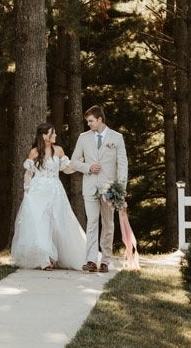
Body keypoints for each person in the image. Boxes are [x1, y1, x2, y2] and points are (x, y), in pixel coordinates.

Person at [10, 122, 86, 270]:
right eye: (53, 133)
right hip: (38, 191)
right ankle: (45, 260)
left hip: (55, 190)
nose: (56, 135)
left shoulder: (58, 150)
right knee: (41, 223)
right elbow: (28, 173)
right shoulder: (34, 152)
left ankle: (59, 256)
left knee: (58, 222)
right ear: (45, 136)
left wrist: (78, 164)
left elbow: (67, 169)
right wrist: (26, 191)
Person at [68, 104, 128, 273]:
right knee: (92, 222)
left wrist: (121, 188)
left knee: (108, 223)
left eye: (91, 121)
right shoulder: (83, 137)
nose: (89, 124)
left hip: (110, 188)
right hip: (90, 186)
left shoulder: (117, 138)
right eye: (88, 122)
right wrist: (88, 167)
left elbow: (122, 165)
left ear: (100, 120)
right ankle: (91, 260)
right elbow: (73, 161)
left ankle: (106, 261)